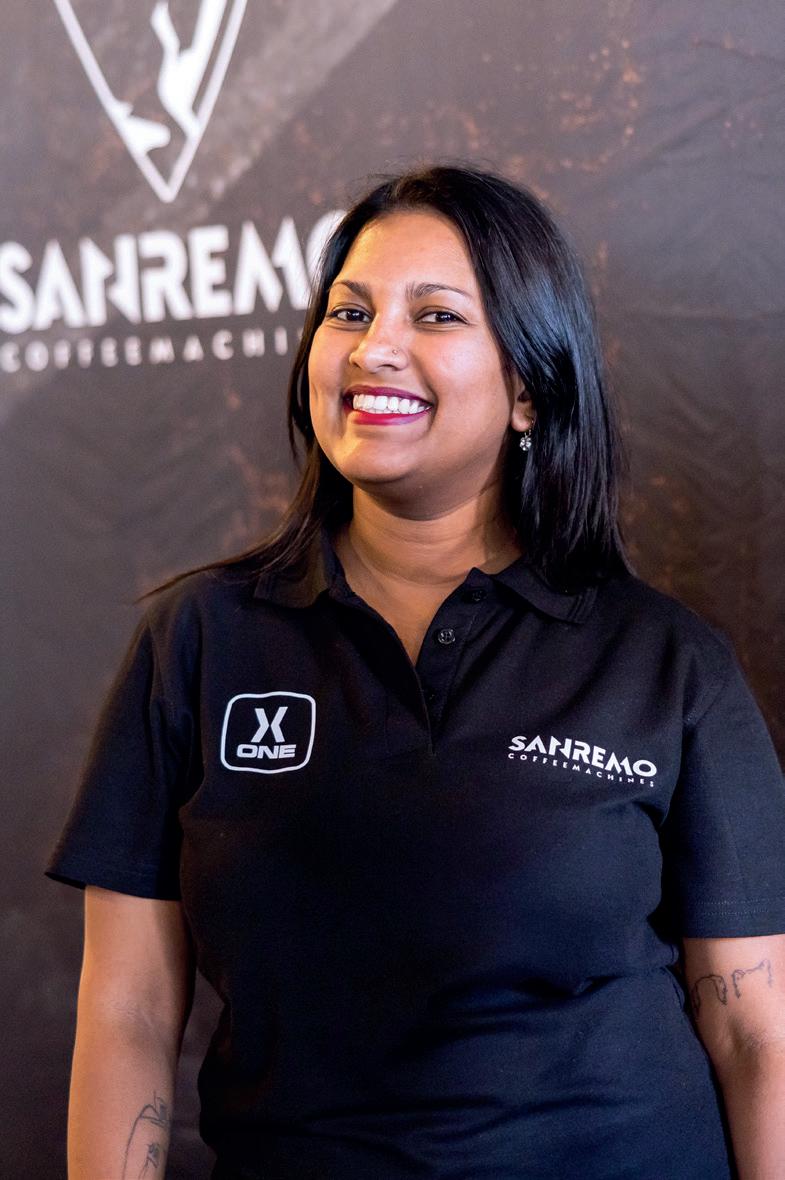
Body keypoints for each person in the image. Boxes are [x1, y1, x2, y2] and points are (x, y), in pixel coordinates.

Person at [47, 164, 785, 1180]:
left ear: (527, 390)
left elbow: (754, 1032)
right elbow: (126, 1012)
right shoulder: (198, 639)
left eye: (434, 315)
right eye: (348, 312)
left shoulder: (665, 662)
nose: (372, 348)